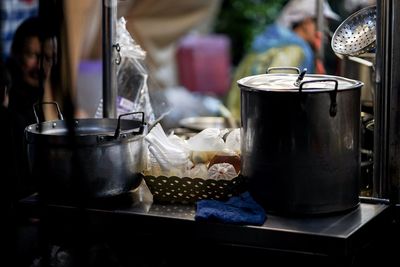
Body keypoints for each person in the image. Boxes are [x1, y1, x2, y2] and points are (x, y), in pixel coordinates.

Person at [226, 0, 340, 120]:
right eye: (322, 24)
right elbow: (278, 95)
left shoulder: (274, 42)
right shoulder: (294, 51)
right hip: (252, 121)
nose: (325, 30)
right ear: (306, 22)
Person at [6, 16, 57, 200]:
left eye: (48, 58)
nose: (41, 66)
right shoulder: (8, 98)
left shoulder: (44, 93)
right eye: (33, 56)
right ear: (15, 53)